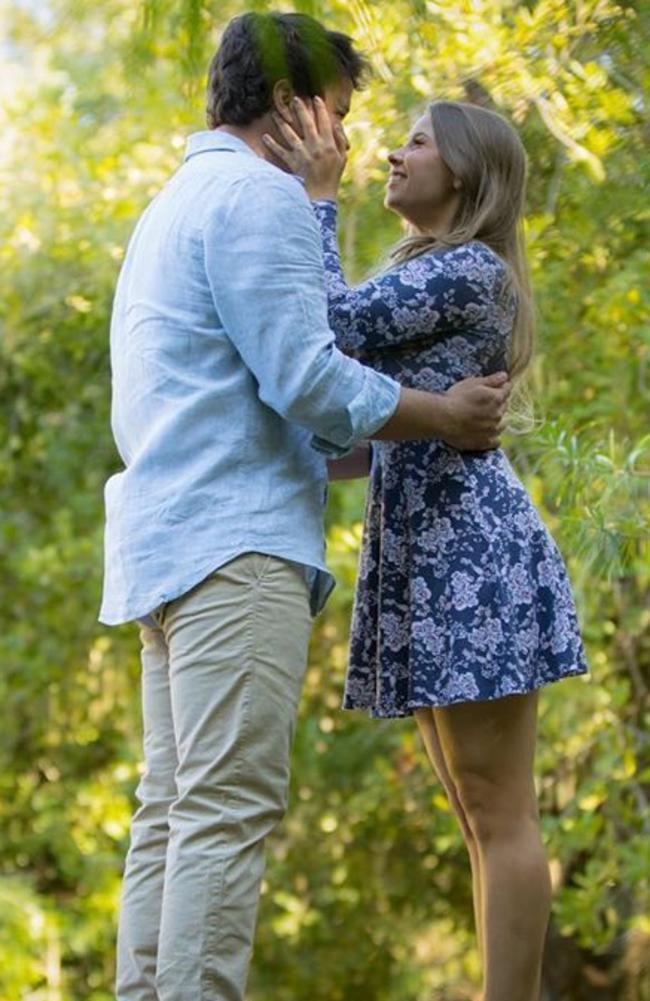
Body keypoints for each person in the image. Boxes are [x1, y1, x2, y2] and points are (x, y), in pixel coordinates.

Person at [100, 12, 512, 1001]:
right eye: (337, 112)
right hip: (235, 548)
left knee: (172, 807)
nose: (342, 137)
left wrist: (369, 441)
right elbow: (309, 381)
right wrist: (441, 416)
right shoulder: (260, 200)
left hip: (163, 544)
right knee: (225, 808)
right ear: (293, 109)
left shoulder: (174, 201)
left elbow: (258, 401)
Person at [264, 97, 589, 1001]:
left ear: (468, 173)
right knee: (475, 811)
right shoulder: (430, 271)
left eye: (416, 141)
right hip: (426, 555)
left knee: (498, 809)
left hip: (469, 560)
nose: (395, 154)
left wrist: (317, 199)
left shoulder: (469, 271)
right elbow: (369, 419)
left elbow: (322, 332)